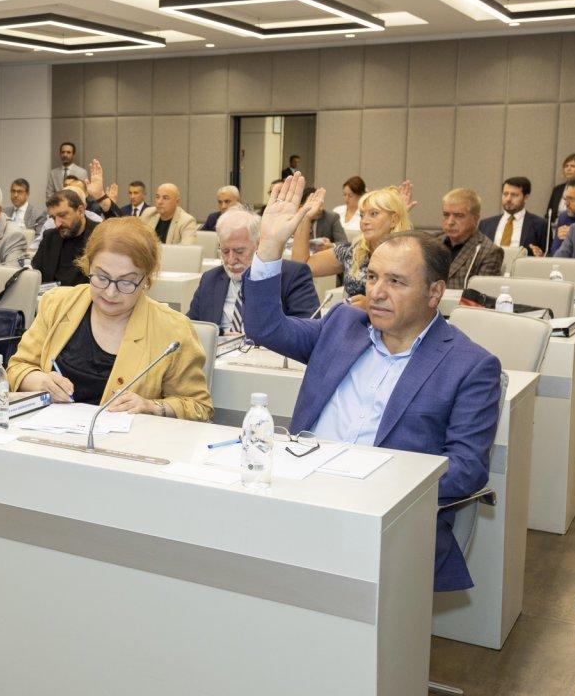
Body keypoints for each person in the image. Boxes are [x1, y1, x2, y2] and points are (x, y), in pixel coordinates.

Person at [246, 173, 500, 592]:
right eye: (373, 277)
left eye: (396, 282)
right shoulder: (344, 324)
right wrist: (270, 246)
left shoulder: (470, 366)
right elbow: (265, 327)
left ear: (434, 292)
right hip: (295, 494)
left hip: (380, 520)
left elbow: (466, 470)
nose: (377, 292)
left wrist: (367, 481)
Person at [7, 217, 212, 420]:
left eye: (126, 282)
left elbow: (199, 407)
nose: (110, 293)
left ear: (146, 280)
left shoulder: (173, 330)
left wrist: (153, 407)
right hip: (48, 434)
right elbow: (17, 368)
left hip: (131, 439)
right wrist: (40, 381)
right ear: (88, 266)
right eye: (101, 277)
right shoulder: (57, 304)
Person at [187, 208, 318, 333]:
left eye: (239, 251)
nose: (231, 260)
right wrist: (219, 334)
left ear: (259, 245)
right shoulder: (210, 279)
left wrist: (245, 338)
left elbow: (307, 331)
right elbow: (190, 328)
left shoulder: (292, 276)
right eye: (225, 252)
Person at [290, 180, 414, 306]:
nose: (364, 221)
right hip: (352, 317)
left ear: (393, 220)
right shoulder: (354, 252)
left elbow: (415, 307)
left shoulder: (408, 257)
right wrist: (305, 218)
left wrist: (371, 307)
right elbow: (302, 266)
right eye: (362, 215)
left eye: (374, 214)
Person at [440, 188, 503, 289]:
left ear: (475, 219)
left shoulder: (489, 252)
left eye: (458, 216)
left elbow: (483, 294)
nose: (450, 222)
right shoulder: (433, 243)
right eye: (446, 215)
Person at [33, 190, 95, 287]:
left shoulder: (100, 236)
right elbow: (35, 274)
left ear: (80, 211)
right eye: (53, 218)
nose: (57, 224)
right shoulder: (49, 237)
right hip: (50, 295)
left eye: (62, 215)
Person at [479, 177, 548, 256]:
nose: (508, 199)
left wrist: (542, 256)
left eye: (514, 195)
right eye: (505, 194)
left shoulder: (540, 225)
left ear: (526, 198)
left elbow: (549, 255)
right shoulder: (485, 224)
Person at [546, 153, 575, 252]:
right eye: (566, 166)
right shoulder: (558, 189)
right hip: (556, 229)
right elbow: (549, 212)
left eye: (572, 166)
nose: (568, 169)